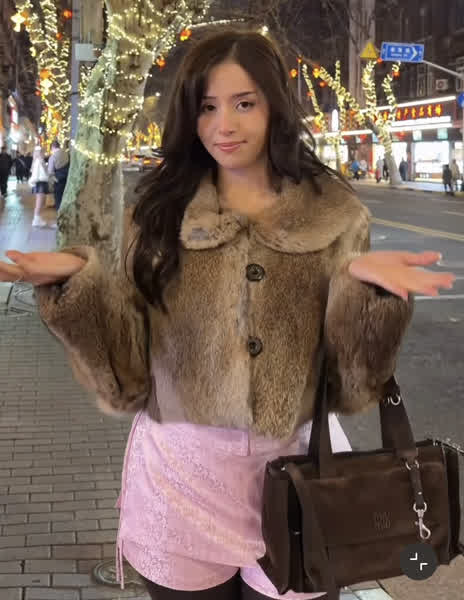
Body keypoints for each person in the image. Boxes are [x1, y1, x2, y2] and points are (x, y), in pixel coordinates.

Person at [0, 30, 456, 600]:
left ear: (275, 106)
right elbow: (126, 380)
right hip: (179, 480)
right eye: (208, 107)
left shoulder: (336, 215)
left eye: (244, 103)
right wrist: (77, 290)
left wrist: (367, 299)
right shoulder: (157, 215)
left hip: (301, 477)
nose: (224, 126)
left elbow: (350, 388)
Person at [29, 146, 51, 227]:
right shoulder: (40, 161)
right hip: (41, 182)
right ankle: (36, 220)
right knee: (40, 202)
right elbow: (45, 172)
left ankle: (37, 219)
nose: (44, 153)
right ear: (40, 152)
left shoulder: (35, 161)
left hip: (37, 183)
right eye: (42, 152)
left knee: (39, 201)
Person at [48, 140, 70, 210]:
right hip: (68, 178)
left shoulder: (53, 157)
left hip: (58, 180)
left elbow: (50, 171)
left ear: (52, 147)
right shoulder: (67, 154)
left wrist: (52, 181)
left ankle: (59, 211)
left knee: (58, 198)